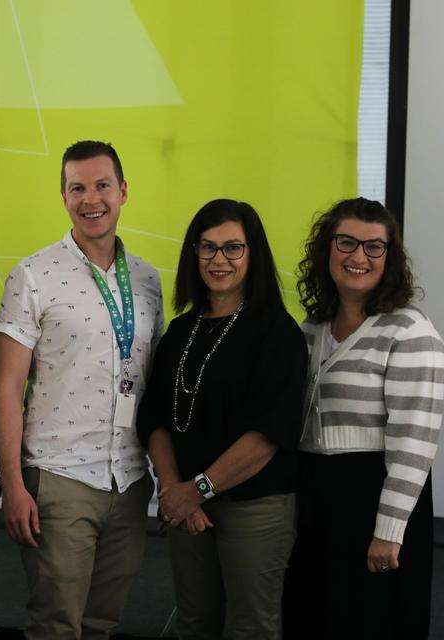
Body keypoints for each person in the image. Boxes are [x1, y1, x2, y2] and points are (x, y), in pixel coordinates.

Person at [0, 140, 163, 639]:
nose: (92, 199)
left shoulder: (148, 281)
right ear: (63, 197)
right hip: (58, 478)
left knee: (101, 624)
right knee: (56, 627)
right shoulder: (33, 275)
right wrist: (12, 486)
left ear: (124, 191)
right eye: (77, 188)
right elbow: (6, 391)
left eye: (102, 185)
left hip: (129, 481)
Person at [135, 198, 305, 639]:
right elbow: (154, 417)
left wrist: (198, 489)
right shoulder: (180, 331)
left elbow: (269, 433)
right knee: (194, 622)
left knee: (250, 628)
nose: (219, 260)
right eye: (207, 247)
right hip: (186, 505)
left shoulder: (277, 332)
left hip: (255, 507)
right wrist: (174, 489)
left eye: (233, 248)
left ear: (254, 254)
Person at [285, 197, 444, 639]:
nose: (359, 257)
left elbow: (413, 445)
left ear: (390, 258)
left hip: (375, 499)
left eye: (374, 247)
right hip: (318, 498)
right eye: (347, 243)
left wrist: (389, 533)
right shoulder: (314, 327)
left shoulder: (409, 331)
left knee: (371, 622)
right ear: (327, 249)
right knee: (314, 618)